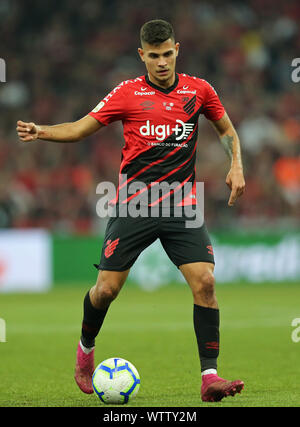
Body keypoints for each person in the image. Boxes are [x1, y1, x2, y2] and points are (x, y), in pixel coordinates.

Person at [17, 19, 245, 402]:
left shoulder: (199, 90)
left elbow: (226, 131)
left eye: (167, 54)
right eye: (153, 56)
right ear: (142, 55)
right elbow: (79, 128)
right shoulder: (127, 93)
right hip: (134, 203)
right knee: (106, 290)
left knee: (205, 283)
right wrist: (42, 130)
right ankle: (86, 351)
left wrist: (236, 163)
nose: (161, 62)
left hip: (181, 204)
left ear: (177, 50)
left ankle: (210, 378)